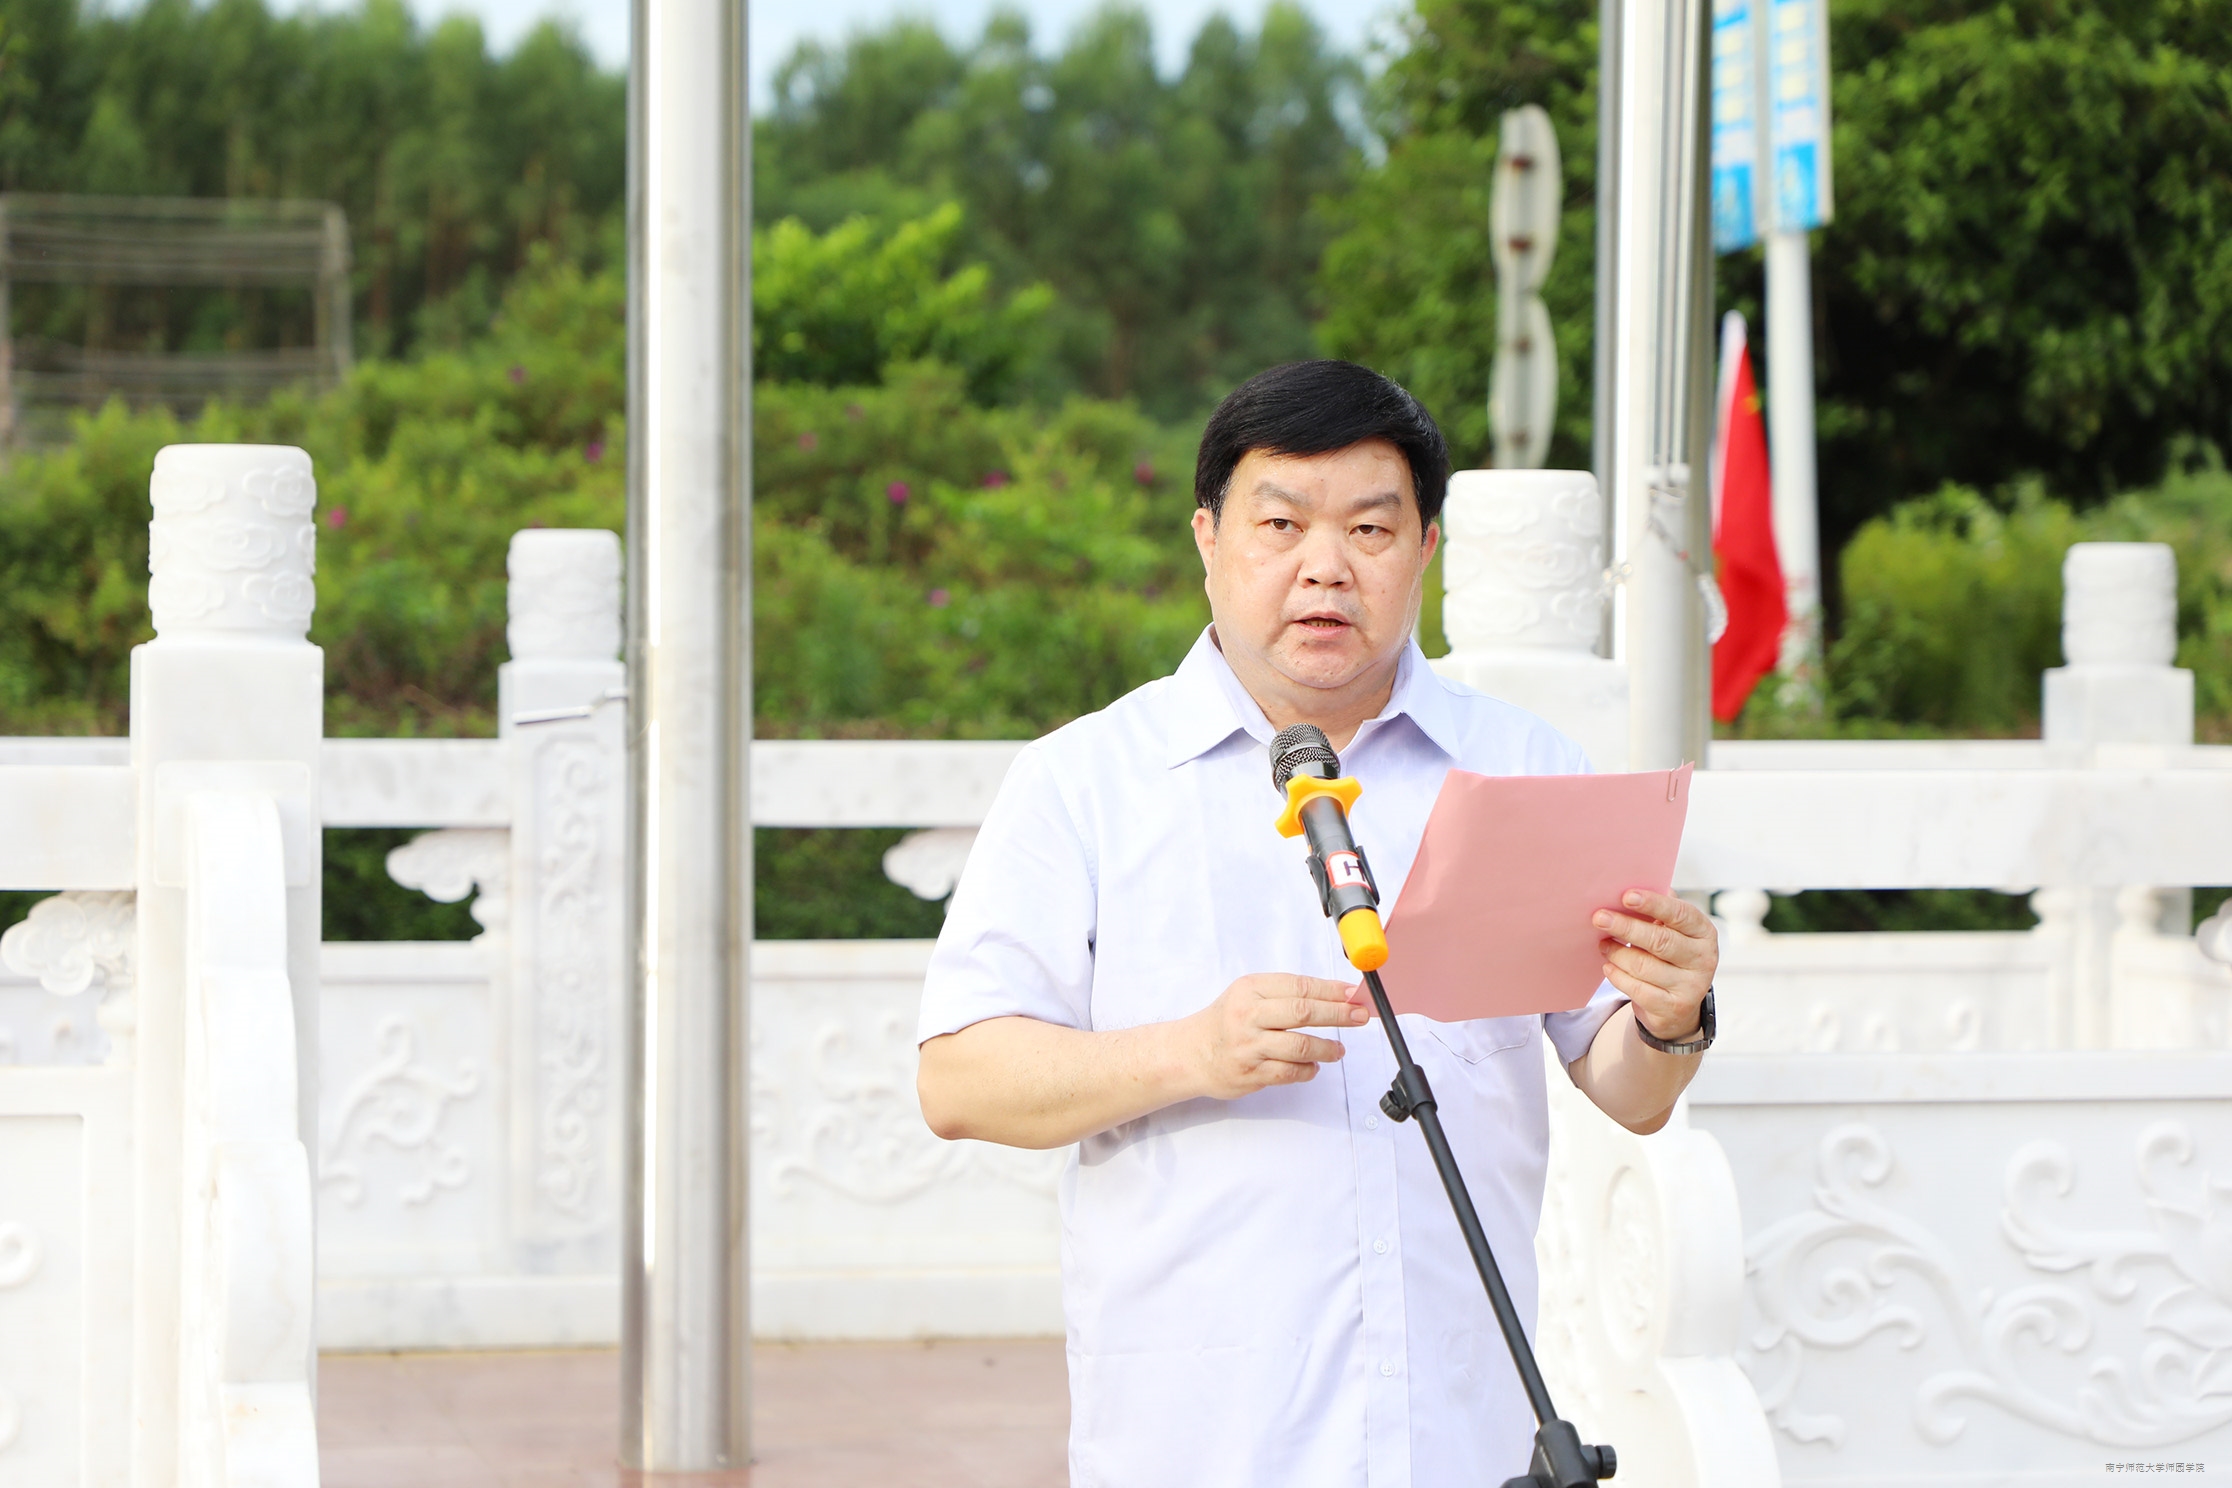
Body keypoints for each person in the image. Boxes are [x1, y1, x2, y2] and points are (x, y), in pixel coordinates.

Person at [914, 359, 1718, 1487]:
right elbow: (958, 1080)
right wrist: (1188, 1053)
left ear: (1425, 549)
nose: (1325, 567)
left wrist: (1674, 1018)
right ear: (1208, 537)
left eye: (1370, 530)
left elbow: (1627, 1089)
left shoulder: (1523, 766)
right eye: (1281, 524)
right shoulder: (1085, 782)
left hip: (1459, 1433)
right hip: (1197, 1443)